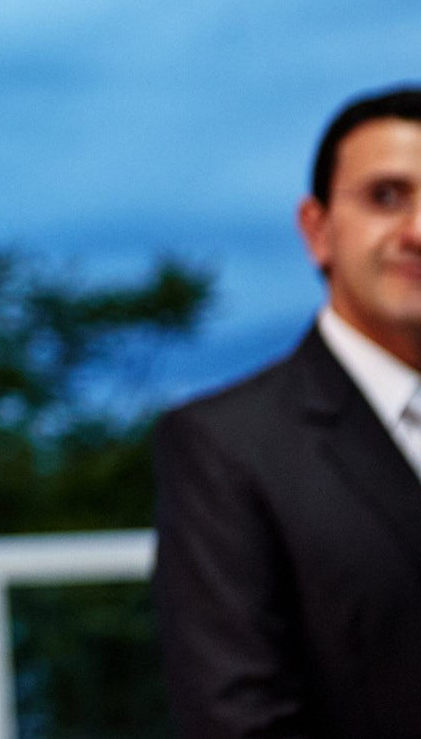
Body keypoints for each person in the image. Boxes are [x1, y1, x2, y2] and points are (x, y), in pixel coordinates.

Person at [153, 85, 421, 738]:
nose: (418, 231)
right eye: (387, 196)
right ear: (318, 229)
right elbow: (235, 719)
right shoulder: (225, 445)